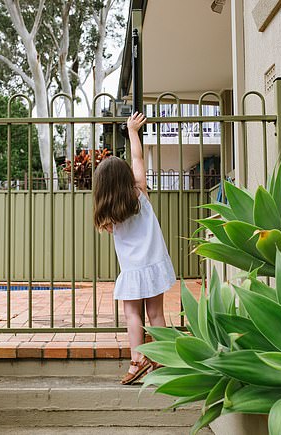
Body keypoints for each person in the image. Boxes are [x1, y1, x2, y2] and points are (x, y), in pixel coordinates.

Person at [93, 112, 177, 385]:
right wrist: (132, 131)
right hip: (154, 265)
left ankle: (137, 360)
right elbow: (138, 159)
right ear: (126, 177)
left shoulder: (108, 215)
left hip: (132, 270)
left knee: (132, 313)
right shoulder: (140, 194)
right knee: (156, 314)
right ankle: (162, 361)